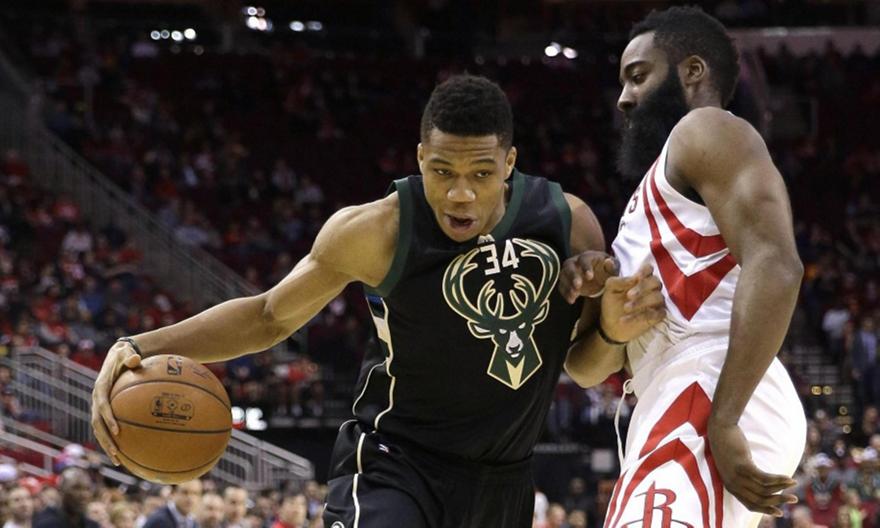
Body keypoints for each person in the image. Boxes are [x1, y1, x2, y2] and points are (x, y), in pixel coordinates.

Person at [92, 75, 665, 528]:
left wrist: (609, 331)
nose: (460, 192)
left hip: (504, 482)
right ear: (419, 159)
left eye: (481, 173)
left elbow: (585, 369)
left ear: (509, 164)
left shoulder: (567, 223)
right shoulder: (377, 230)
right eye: (442, 171)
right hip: (395, 464)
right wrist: (138, 345)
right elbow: (268, 316)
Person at [560, 6, 806, 527]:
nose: (623, 97)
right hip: (667, 399)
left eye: (638, 76)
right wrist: (609, 326)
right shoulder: (649, 197)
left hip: (707, 388)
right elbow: (585, 370)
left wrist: (725, 420)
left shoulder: (705, 129)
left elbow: (777, 264)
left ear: (692, 71)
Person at [32, 467, 98, 528]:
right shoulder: (46, 523)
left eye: (87, 489)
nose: (83, 495)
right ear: (61, 491)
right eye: (76, 488)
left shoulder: (92, 525)